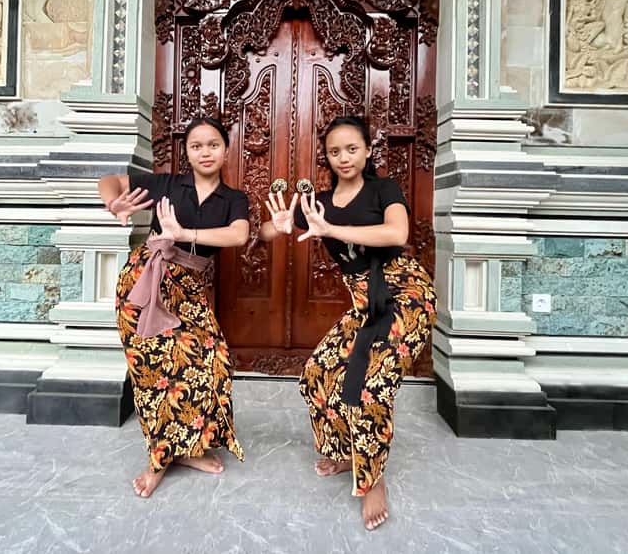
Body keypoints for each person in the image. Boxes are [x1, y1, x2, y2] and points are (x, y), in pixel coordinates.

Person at [261, 115, 437, 530]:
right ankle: (344, 452)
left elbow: (397, 233)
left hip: (405, 295)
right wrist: (282, 225)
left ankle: (373, 479)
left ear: (367, 151)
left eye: (352, 149)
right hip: (363, 301)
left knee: (370, 384)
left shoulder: (384, 189)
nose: (343, 157)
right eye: (335, 151)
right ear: (326, 155)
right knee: (318, 371)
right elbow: (269, 231)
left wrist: (332, 228)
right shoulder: (317, 203)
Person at [97, 116, 250, 498]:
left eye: (213, 144)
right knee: (153, 371)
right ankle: (159, 459)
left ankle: (188, 447)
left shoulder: (234, 199)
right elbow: (111, 179)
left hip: (189, 288)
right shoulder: (166, 183)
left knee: (212, 361)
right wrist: (113, 202)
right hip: (143, 284)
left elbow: (239, 234)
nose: (205, 152)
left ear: (226, 149)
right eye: (196, 145)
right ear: (187, 152)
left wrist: (185, 235)